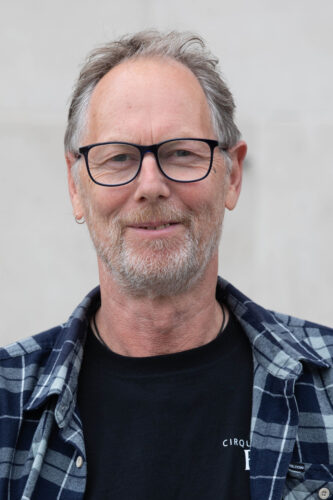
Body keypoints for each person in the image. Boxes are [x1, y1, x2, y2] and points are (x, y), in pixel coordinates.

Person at [0, 30, 332, 500]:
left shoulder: (327, 387)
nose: (151, 185)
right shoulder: (6, 404)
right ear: (76, 187)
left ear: (232, 176)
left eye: (181, 153)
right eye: (118, 157)